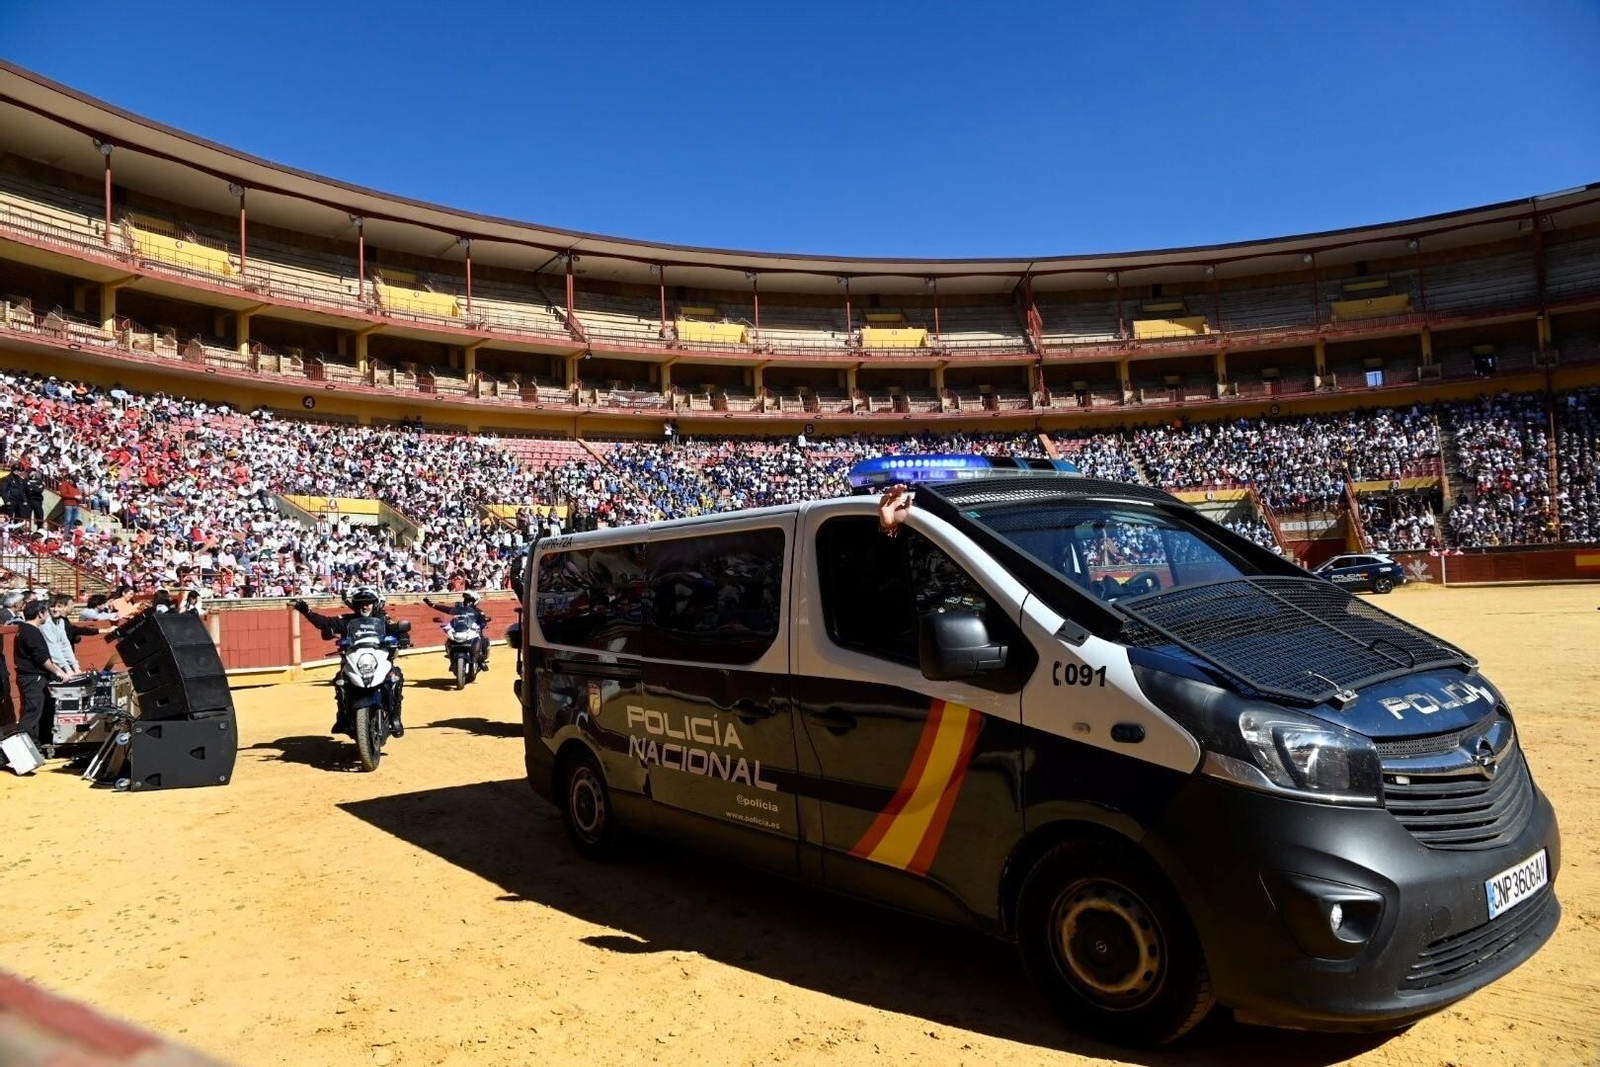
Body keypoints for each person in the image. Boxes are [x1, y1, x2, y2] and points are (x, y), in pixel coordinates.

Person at [293, 587, 408, 736]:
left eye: (368, 602)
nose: (365, 606)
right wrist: (306, 612)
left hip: (378, 658)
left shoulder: (383, 619)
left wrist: (404, 636)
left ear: (375, 604)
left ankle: (395, 717)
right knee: (339, 680)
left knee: (396, 678)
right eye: (361, 603)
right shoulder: (348, 620)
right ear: (355, 605)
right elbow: (325, 623)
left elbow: (398, 628)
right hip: (353, 659)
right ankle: (342, 716)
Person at [13, 600, 73, 751]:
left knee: (38, 711)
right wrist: (59, 672)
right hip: (33, 677)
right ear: (40, 613)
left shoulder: (26, 629)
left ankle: (34, 745)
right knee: (32, 713)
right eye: (45, 611)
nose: (48, 614)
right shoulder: (30, 631)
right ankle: (22, 748)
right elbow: (41, 658)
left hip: (34, 677)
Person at [424, 590, 491, 669]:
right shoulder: (459, 610)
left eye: (470, 600)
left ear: (475, 601)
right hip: (461, 630)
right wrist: (432, 605)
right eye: (466, 600)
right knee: (449, 640)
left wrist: (482, 624)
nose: (467, 602)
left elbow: (483, 621)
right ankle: (451, 654)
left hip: (472, 632)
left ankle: (481, 661)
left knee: (483, 639)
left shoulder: (478, 612)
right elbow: (446, 609)